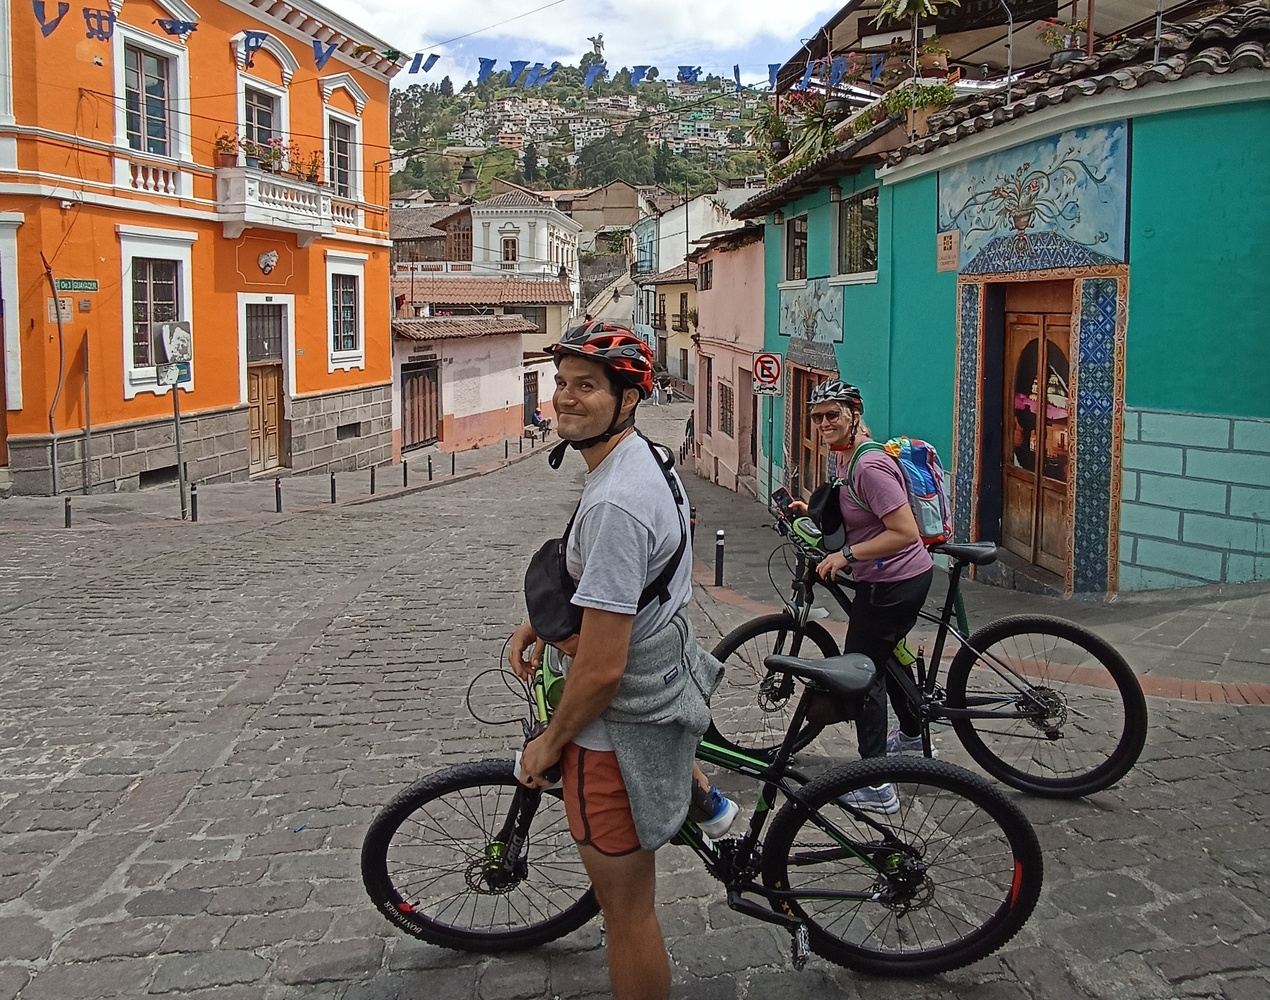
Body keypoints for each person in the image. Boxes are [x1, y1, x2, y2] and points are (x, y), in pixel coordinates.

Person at [509, 320, 732, 1000]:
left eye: (587, 387)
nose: (565, 399)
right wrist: (541, 624)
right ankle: (706, 801)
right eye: (561, 384)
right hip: (664, 667)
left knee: (628, 914)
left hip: (616, 723)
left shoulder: (615, 503)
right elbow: (628, 584)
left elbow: (602, 671)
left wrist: (550, 743)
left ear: (627, 399)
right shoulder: (644, 458)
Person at [790, 380, 934, 814]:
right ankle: (909, 736)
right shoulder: (848, 458)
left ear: (854, 413)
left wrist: (846, 555)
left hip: (895, 582)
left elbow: (904, 532)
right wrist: (811, 511)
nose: (824, 423)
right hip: (887, 579)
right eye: (817, 417)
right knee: (885, 655)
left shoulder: (869, 466)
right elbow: (861, 513)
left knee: (863, 670)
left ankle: (877, 783)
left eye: (832, 414)